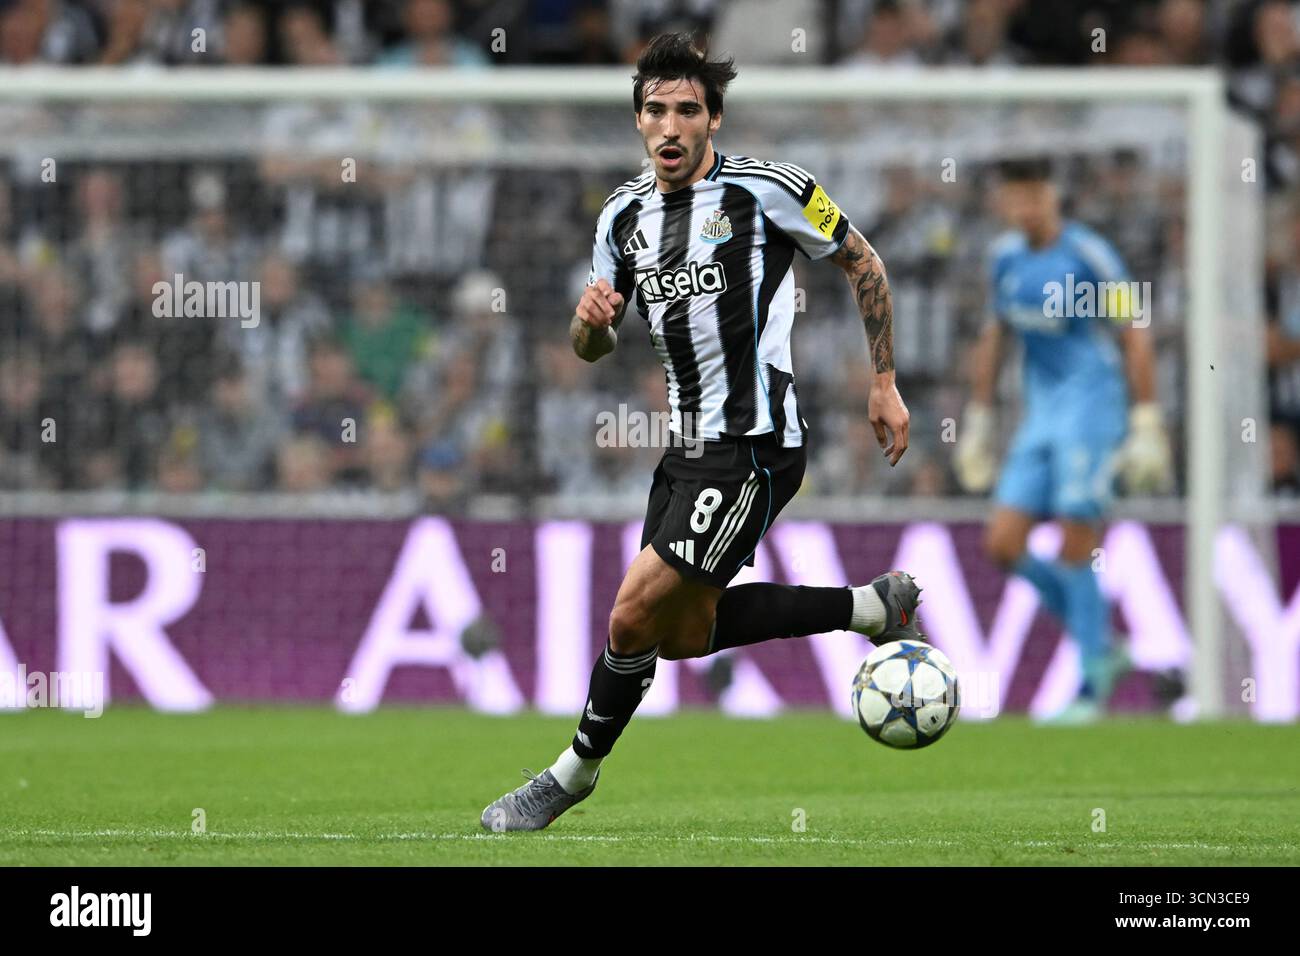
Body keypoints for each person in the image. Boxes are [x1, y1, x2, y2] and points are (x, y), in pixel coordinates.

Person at [481, 33, 924, 831]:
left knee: (629, 615)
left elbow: (865, 262)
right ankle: (867, 609)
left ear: (713, 118)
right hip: (685, 451)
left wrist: (884, 382)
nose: (670, 125)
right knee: (682, 634)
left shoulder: (770, 191)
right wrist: (591, 326)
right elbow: (592, 348)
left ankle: (569, 775)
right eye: (655, 110)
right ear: (639, 122)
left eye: (688, 109)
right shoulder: (621, 217)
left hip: (755, 446)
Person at [954, 158, 1173, 725]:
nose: (1026, 207)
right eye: (1016, 197)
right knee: (1002, 544)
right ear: (1004, 204)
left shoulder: (1089, 254)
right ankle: (1101, 642)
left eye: (1036, 195)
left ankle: (1088, 687)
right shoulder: (1003, 256)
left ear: (1054, 196)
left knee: (1077, 535)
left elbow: (1134, 331)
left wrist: (1147, 420)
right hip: (1041, 415)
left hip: (1094, 408)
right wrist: (977, 420)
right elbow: (995, 335)